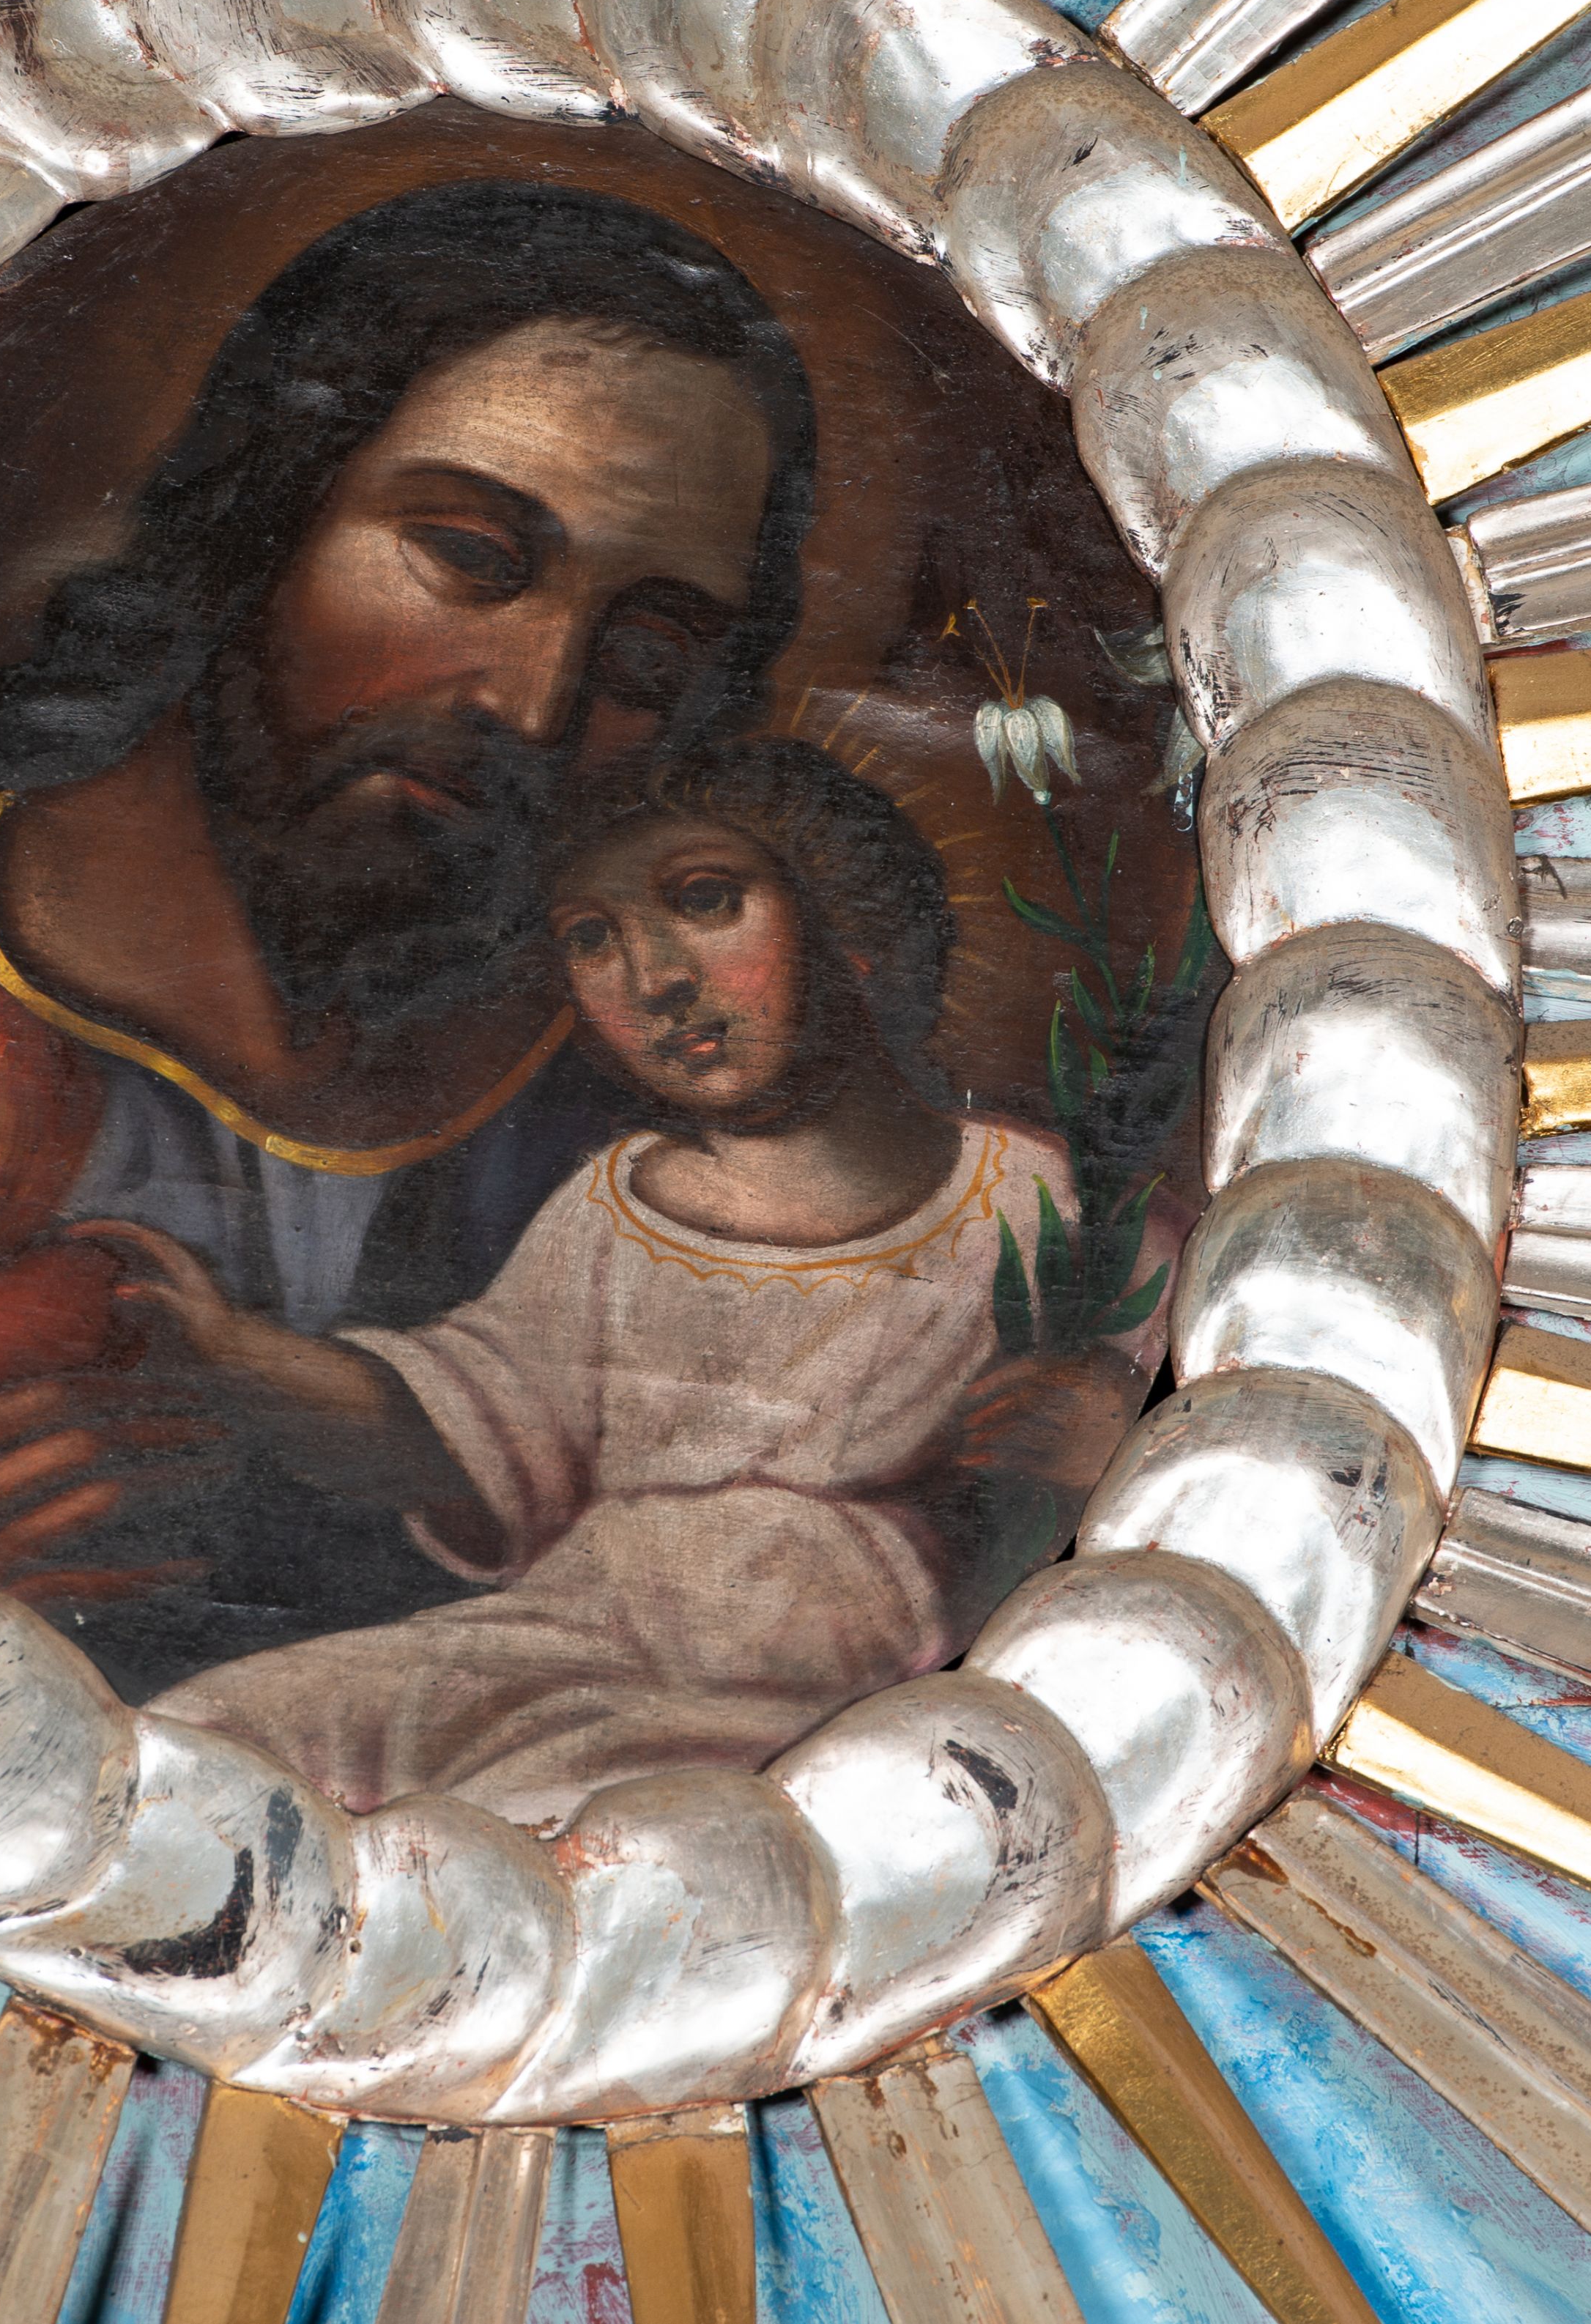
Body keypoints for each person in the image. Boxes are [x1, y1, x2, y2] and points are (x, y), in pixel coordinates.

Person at [0, 181, 817, 1692]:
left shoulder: (649, 1107)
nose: (533, 702)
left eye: (646, 654)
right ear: (262, 520)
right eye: (469, 555)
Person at [92, 741, 1177, 1828]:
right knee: (201, 1740)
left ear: (848, 921)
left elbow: (1187, 1442)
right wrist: (231, 1352)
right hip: (561, 1640)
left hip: (813, 1704)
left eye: (705, 900)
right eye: (591, 939)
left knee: (529, 1826)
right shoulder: (617, 1208)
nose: (655, 980)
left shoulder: (1039, 1205)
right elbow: (460, 1423)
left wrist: (1110, 1441)